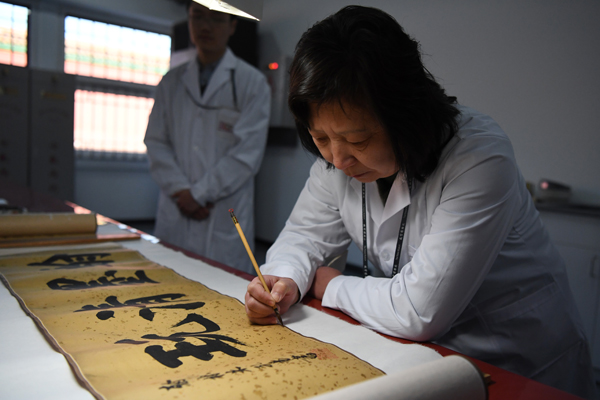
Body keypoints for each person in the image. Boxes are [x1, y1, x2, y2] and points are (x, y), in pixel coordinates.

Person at [244, 5, 596, 398]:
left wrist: (330, 286)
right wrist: (283, 280)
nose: (338, 159)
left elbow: (417, 310)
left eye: (357, 141)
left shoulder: (479, 156)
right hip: (428, 360)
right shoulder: (336, 161)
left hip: (519, 361)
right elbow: (305, 236)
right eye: (321, 138)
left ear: (404, 115)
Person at [144, 1, 270, 275]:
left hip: (221, 210)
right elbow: (156, 141)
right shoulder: (171, 82)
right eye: (197, 16)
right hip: (177, 207)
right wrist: (182, 191)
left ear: (232, 25)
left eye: (216, 19)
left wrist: (199, 195)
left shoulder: (252, 83)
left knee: (224, 292)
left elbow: (246, 155)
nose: (205, 26)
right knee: (168, 284)